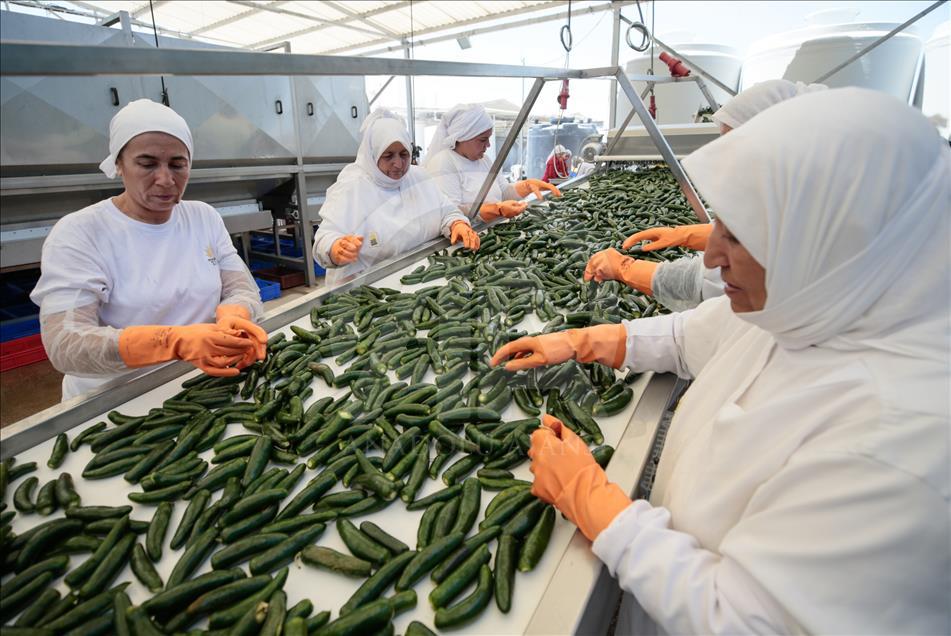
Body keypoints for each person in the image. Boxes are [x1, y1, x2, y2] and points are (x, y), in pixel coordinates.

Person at [491, 88, 950, 634]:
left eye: (738, 235)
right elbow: (691, 335)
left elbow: (743, 621)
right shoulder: (819, 301)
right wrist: (578, 342)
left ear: (830, 242)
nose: (709, 255)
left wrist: (597, 506)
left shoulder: (900, 440)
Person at [31, 99, 266, 401]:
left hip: (198, 385)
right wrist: (171, 342)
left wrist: (236, 312)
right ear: (119, 164)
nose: (166, 180)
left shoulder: (203, 217)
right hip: (115, 401)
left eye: (178, 164)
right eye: (147, 164)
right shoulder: (81, 232)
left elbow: (242, 288)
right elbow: (66, 343)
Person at [585, 79, 827, 311]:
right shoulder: (803, 191)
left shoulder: (806, 214)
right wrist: (684, 234)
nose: (728, 158)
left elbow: (710, 283)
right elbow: (755, 232)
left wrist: (625, 268)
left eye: (734, 145)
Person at [313, 110, 480, 288]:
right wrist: (335, 248)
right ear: (373, 155)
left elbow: (446, 211)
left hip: (420, 281)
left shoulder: (419, 178)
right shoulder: (351, 188)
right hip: (367, 291)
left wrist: (456, 223)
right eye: (388, 156)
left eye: (404, 154)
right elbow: (324, 238)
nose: (398, 164)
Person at [422, 104, 561, 223]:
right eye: (483, 140)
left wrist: (526, 186)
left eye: (488, 138)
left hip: (491, 231)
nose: (488, 145)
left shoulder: (484, 160)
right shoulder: (443, 163)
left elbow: (504, 192)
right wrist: (496, 209)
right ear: (462, 137)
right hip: (467, 238)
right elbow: (450, 211)